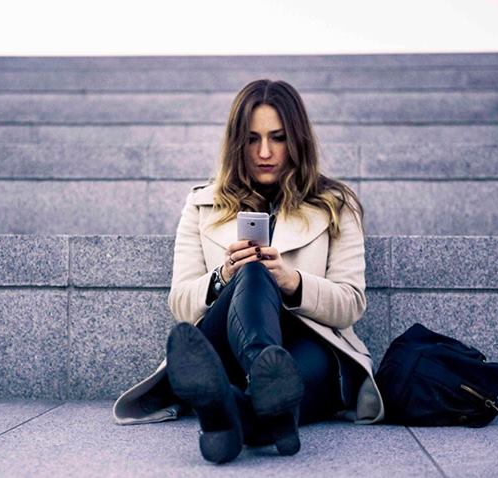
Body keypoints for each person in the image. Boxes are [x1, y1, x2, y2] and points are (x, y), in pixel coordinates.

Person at [112, 79, 385, 464]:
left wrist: (293, 283)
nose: (264, 152)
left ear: (298, 140)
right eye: (252, 139)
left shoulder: (334, 205)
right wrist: (224, 275)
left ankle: (229, 415)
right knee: (252, 272)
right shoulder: (201, 204)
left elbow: (351, 303)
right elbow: (181, 303)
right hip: (228, 345)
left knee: (288, 376)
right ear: (236, 143)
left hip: (310, 349)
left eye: (278, 138)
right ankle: (264, 380)